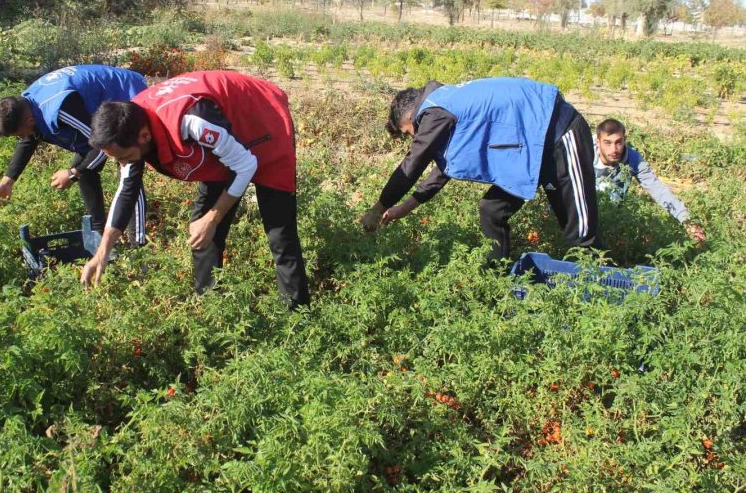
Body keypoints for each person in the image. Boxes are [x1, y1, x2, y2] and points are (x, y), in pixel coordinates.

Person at [81, 70, 310, 308]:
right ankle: (212, 309)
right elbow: (127, 191)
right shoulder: (130, 125)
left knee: (279, 233)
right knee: (203, 237)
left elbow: (245, 165)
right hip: (224, 137)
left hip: (262, 122)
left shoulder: (191, 120)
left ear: (145, 135)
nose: (124, 164)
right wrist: (102, 253)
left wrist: (212, 218)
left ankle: (295, 314)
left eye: (126, 157)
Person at [360, 77, 602, 264]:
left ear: (412, 116)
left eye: (408, 132)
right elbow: (443, 171)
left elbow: (412, 165)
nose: (413, 138)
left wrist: (377, 208)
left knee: (580, 233)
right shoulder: (444, 104)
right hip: (529, 148)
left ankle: (600, 286)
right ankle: (496, 277)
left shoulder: (435, 112)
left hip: (558, 132)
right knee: (492, 210)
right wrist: (402, 208)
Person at [0, 65, 148, 240]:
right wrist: (7, 181)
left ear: (29, 120)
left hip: (128, 93)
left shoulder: (62, 108)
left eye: (20, 133)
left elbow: (103, 145)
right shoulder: (27, 103)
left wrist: (73, 174)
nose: (22, 137)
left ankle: (138, 246)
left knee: (128, 169)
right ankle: (97, 235)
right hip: (97, 108)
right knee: (85, 166)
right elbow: (29, 138)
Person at [594, 119, 706, 241]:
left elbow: (657, 189)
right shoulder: (581, 152)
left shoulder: (633, 159)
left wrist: (687, 220)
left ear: (624, 140)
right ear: (598, 142)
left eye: (618, 142)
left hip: (611, 212)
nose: (614, 149)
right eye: (607, 143)